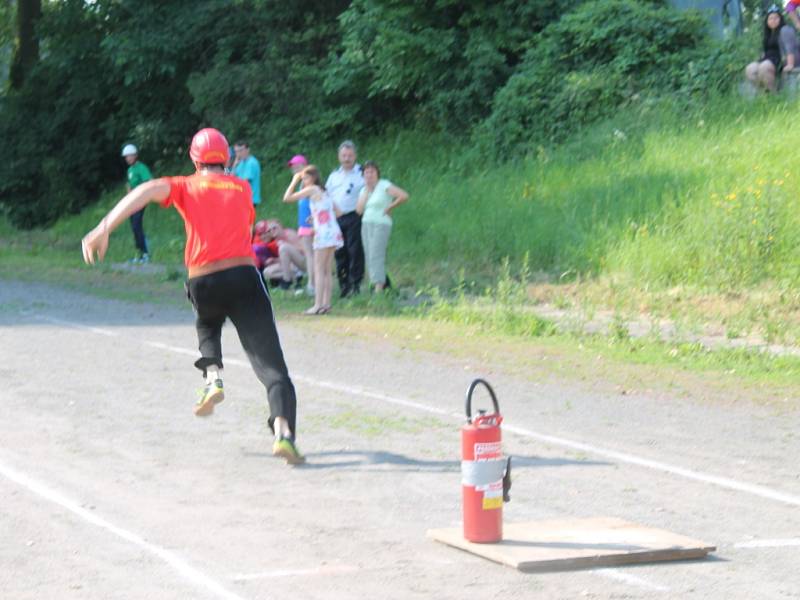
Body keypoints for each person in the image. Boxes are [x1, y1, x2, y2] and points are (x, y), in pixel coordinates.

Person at [81, 128, 304, 465]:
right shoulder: (242, 187)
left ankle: (213, 376)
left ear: (194, 158)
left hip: (203, 279)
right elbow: (243, 226)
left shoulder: (184, 185)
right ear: (227, 157)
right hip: (243, 276)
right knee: (272, 365)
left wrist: (103, 227)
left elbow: (145, 190)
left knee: (207, 321)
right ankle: (284, 432)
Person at [284, 165, 342, 315]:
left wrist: (294, 181)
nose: (303, 181)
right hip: (333, 231)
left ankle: (317, 305)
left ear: (313, 178)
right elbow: (338, 212)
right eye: (302, 178)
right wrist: (317, 217)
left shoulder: (312, 189)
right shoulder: (324, 191)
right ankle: (326, 304)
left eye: (305, 178)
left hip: (322, 233)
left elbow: (287, 197)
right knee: (327, 270)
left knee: (318, 269)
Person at [355, 161, 409, 292]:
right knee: (368, 254)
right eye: (366, 172)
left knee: (376, 254)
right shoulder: (363, 189)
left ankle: (379, 288)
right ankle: (377, 284)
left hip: (381, 222)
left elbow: (404, 196)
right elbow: (359, 211)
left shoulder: (384, 185)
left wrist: (390, 207)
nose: (369, 175)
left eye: (372, 172)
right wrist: (366, 192)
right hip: (366, 223)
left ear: (377, 174)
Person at [325, 140, 364, 297]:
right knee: (340, 252)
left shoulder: (362, 173)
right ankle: (344, 285)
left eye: (350, 155)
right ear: (339, 157)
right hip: (337, 218)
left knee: (355, 251)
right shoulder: (334, 175)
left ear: (355, 156)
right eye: (344, 155)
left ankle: (355, 284)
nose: (347, 158)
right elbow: (326, 195)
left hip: (355, 216)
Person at [745, 6, 799, 93]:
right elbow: (766, 51)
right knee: (750, 69)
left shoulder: (785, 29)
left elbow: (790, 48)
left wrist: (790, 64)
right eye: (770, 18)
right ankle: (765, 93)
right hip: (768, 59)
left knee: (764, 67)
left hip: (780, 59)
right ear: (767, 21)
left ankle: (774, 94)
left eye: (776, 18)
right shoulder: (768, 33)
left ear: (780, 19)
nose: (773, 20)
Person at [286, 154, 314, 296]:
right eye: (293, 167)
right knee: (309, 254)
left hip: (311, 227)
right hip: (303, 226)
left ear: (305, 166)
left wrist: (314, 220)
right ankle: (311, 283)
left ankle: (312, 285)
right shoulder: (302, 185)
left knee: (311, 255)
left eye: (297, 166)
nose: (294, 169)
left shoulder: (309, 185)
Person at [121, 144, 152, 263]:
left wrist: (138, 193)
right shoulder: (130, 170)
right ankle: (139, 254)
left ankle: (145, 254)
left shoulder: (141, 167)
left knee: (137, 225)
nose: (127, 158)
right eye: (126, 157)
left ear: (135, 155)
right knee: (134, 227)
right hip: (132, 201)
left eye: (129, 156)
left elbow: (148, 182)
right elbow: (129, 184)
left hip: (140, 200)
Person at [260, 219, 307, 290]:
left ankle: (287, 281)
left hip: (305, 263)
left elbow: (305, 251)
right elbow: (286, 258)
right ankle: (296, 276)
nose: (272, 231)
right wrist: (274, 260)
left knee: (283, 247)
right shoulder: (277, 240)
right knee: (266, 272)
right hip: (294, 266)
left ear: (280, 226)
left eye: (274, 228)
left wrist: (286, 245)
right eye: (270, 230)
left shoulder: (289, 233)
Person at [232, 140, 262, 206]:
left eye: (240, 150)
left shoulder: (252, 163)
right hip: (242, 198)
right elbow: (230, 178)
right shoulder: (240, 163)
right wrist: (234, 166)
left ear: (247, 150)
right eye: (236, 151)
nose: (238, 153)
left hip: (250, 199)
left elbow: (245, 182)